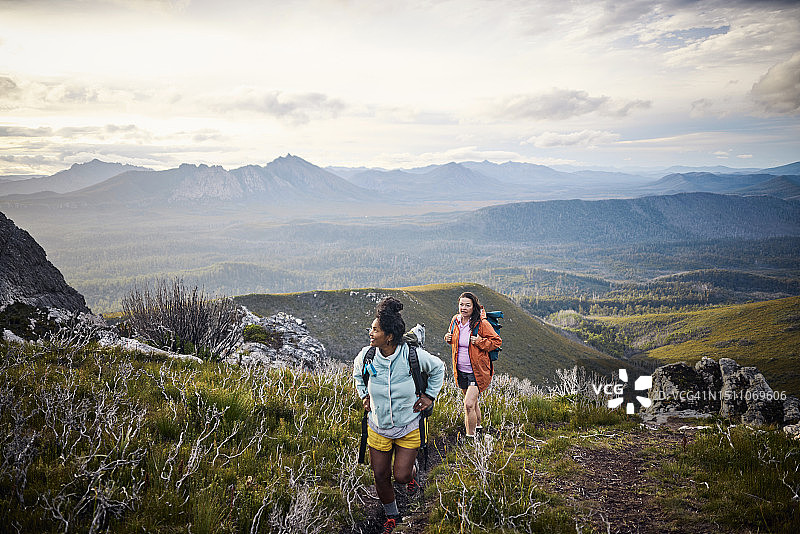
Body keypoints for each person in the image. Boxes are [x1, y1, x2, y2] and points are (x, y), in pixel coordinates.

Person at [353, 297, 445, 533]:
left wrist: (429, 396)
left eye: (375, 330)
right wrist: (364, 395)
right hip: (378, 426)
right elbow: (357, 373)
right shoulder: (367, 355)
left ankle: (411, 476)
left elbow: (438, 368)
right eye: (371, 328)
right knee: (380, 475)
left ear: (389, 336)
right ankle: (392, 515)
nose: (371, 333)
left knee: (401, 475)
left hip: (407, 426)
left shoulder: (410, 356)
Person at [443, 291, 502, 439]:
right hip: (460, 369)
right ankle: (479, 430)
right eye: (461, 304)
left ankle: (470, 439)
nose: (463, 308)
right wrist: (448, 338)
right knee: (473, 403)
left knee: (468, 404)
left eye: (467, 305)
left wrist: (480, 342)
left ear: (473, 307)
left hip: (477, 371)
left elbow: (496, 341)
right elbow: (455, 340)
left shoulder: (481, 323)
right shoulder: (455, 320)